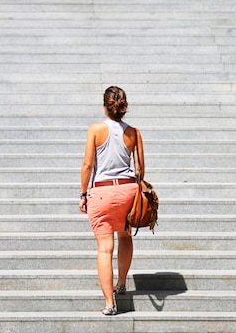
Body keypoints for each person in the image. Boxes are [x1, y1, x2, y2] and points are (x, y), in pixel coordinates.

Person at [79, 86, 145, 316]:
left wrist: (82, 193)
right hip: (129, 190)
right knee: (125, 235)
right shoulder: (134, 132)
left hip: (103, 192)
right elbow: (141, 169)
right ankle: (122, 283)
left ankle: (110, 303)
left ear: (105, 106)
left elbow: (88, 165)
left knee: (105, 249)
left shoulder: (95, 129)